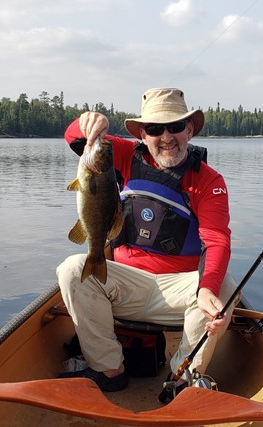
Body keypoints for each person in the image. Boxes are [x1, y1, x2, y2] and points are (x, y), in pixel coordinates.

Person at [57, 87, 239, 399]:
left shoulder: (208, 180)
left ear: (190, 129)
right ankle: (109, 369)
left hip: (177, 292)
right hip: (125, 286)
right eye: (155, 129)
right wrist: (89, 122)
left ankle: (183, 377)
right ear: (143, 134)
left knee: (224, 287)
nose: (166, 137)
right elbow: (75, 138)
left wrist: (207, 287)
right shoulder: (122, 155)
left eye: (176, 127)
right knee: (73, 268)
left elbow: (217, 240)